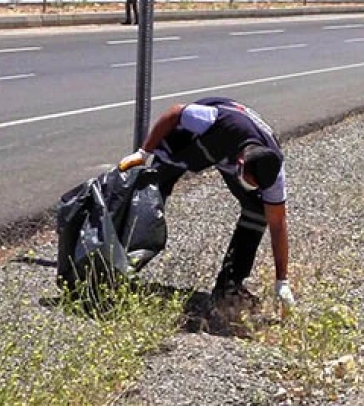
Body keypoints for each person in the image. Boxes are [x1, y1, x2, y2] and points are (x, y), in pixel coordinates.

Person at [117, 97, 295, 311]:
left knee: (258, 211)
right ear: (239, 164)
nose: (256, 188)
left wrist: (282, 282)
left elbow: (278, 224)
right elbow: (176, 112)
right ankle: (115, 267)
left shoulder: (272, 171)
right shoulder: (218, 121)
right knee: (148, 198)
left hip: (229, 151)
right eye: (250, 183)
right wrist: (143, 153)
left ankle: (229, 285)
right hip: (191, 141)